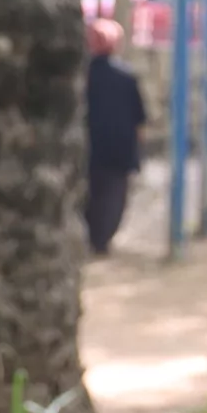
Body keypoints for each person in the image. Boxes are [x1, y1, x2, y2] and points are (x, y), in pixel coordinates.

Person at [83, 18, 146, 256]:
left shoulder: (83, 76)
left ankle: (91, 237)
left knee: (90, 193)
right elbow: (139, 118)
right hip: (120, 149)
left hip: (90, 147)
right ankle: (102, 240)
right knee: (113, 198)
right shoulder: (126, 76)